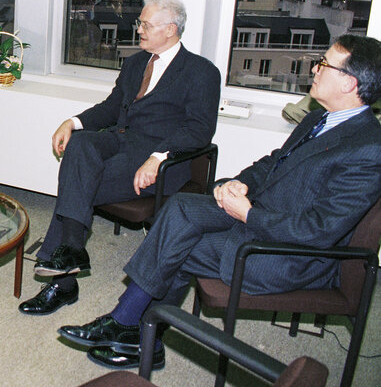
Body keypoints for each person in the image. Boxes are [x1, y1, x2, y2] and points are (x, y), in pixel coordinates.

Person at [57, 34, 381, 370]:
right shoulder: (318, 120)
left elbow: (319, 231)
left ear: (349, 82)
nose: (315, 68)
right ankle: (136, 333)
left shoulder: (368, 148)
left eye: (325, 64)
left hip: (288, 254)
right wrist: (237, 183)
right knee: (180, 208)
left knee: (175, 245)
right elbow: (274, 162)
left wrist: (249, 214)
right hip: (263, 216)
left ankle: (128, 326)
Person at [19, 0, 221, 316]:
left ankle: (62, 283)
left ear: (170, 29)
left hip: (156, 159)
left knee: (77, 183)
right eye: (140, 22)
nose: (138, 29)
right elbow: (113, 107)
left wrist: (159, 157)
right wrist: (71, 122)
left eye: (145, 24)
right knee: (80, 145)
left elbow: (199, 130)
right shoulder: (135, 62)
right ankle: (71, 252)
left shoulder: (201, 72)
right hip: (120, 140)